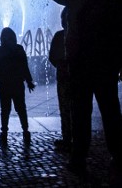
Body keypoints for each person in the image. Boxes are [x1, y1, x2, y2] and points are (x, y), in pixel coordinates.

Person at [47, 0, 122, 174]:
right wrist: (120, 59)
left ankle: (79, 158)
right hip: (106, 63)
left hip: (81, 61)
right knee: (110, 110)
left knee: (80, 112)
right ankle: (118, 154)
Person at [0, 26, 36, 146]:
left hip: (5, 85)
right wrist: (29, 81)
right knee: (21, 108)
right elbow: (25, 67)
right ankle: (25, 131)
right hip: (18, 85)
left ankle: (4, 133)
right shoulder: (19, 49)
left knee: (5, 110)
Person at [48, 12, 72, 153]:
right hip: (71, 75)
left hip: (64, 76)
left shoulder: (59, 36)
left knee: (65, 107)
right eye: (62, 18)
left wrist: (60, 65)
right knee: (74, 107)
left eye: (64, 18)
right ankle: (73, 138)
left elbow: (52, 57)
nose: (63, 21)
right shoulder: (77, 33)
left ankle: (67, 138)